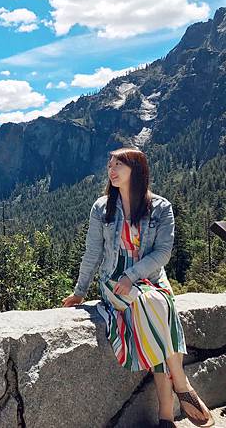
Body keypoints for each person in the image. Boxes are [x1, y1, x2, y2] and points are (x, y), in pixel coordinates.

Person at [62, 148, 215, 428]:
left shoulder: (161, 207)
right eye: (109, 164)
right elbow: (92, 253)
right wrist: (80, 291)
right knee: (157, 307)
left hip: (151, 281)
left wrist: (132, 275)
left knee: (153, 309)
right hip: (113, 283)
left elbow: (163, 253)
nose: (112, 169)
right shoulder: (102, 207)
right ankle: (178, 390)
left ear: (137, 169)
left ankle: (167, 418)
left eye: (119, 164)